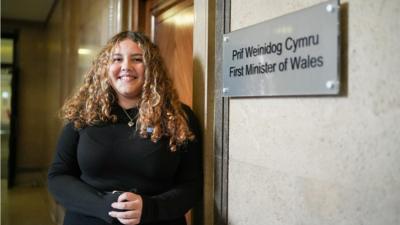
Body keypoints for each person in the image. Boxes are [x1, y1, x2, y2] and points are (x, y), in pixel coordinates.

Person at [48, 31, 203, 225]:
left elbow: (192, 185)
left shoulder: (179, 117)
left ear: (151, 68)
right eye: (117, 59)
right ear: (105, 67)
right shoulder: (83, 114)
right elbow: (58, 177)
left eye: (137, 59)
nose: (126, 67)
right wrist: (104, 205)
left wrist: (150, 208)